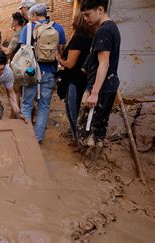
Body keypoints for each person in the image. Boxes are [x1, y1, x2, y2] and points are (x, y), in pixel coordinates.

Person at [78, 0, 121, 159]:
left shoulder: (104, 31)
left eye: (88, 14)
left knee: (87, 127)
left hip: (100, 89)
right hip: (108, 85)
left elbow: (104, 63)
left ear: (101, 10)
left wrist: (94, 92)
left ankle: (89, 163)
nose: (86, 19)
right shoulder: (112, 28)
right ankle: (94, 161)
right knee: (99, 125)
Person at [19, 3, 66, 143]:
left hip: (31, 72)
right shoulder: (58, 27)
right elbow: (61, 49)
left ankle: (25, 138)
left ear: (34, 15)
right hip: (49, 72)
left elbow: (23, 52)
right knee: (44, 106)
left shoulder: (28, 28)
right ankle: (38, 138)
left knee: (27, 104)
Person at [56, 12, 94, 143]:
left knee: (73, 111)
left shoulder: (79, 38)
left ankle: (78, 139)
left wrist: (59, 59)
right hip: (83, 79)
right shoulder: (90, 37)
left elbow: (70, 64)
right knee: (77, 110)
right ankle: (78, 138)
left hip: (74, 80)